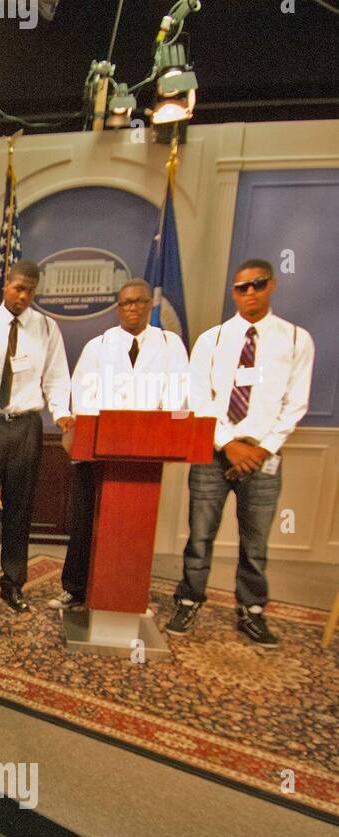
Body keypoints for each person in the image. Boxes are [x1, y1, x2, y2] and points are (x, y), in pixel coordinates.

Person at [166, 259, 314, 647]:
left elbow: (295, 403)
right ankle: (189, 598)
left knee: (256, 543)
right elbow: (198, 398)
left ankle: (252, 609)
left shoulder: (296, 339)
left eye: (257, 284)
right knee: (199, 536)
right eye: (241, 287)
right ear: (233, 292)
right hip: (215, 453)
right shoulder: (212, 339)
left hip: (263, 457)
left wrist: (261, 448)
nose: (249, 292)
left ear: (271, 286)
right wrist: (228, 444)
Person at [49, 278, 190, 611]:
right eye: (126, 302)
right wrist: (102, 431)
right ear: (118, 307)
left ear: (150, 305)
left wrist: (149, 429)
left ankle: (127, 594)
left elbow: (178, 395)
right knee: (85, 522)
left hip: (145, 455)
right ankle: (76, 589)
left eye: (139, 302)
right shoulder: (98, 345)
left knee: (132, 527)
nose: (132, 308)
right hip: (98, 451)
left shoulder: (170, 345)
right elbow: (83, 395)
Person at [0, 259, 72, 612]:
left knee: (20, 509)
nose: (23, 296)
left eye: (30, 291)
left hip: (26, 427)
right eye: (18, 288)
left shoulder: (47, 329)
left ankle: (13, 582)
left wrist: (62, 413)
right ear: (6, 285)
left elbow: (56, 376)